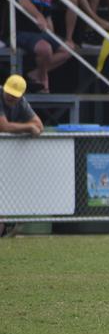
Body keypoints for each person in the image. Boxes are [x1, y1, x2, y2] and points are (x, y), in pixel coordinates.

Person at [0, 74, 44, 237]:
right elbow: (3, 127)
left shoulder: (21, 103)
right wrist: (27, 128)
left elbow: (39, 126)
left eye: (15, 95)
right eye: (8, 92)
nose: (10, 97)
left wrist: (28, 127)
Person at [16, 0, 73, 93]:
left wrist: (52, 37)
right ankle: (43, 80)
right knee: (45, 48)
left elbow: (47, 17)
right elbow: (22, 0)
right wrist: (38, 16)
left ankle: (36, 74)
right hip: (19, 31)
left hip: (39, 34)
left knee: (68, 48)